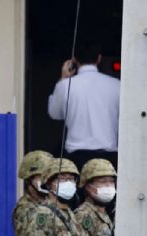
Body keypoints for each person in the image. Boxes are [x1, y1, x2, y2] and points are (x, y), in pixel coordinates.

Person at [47, 41, 120, 171]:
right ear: (99, 58)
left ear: (74, 59)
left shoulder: (65, 85)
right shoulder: (116, 85)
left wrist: (63, 79)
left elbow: (54, 114)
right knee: (108, 190)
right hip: (109, 156)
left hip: (77, 157)